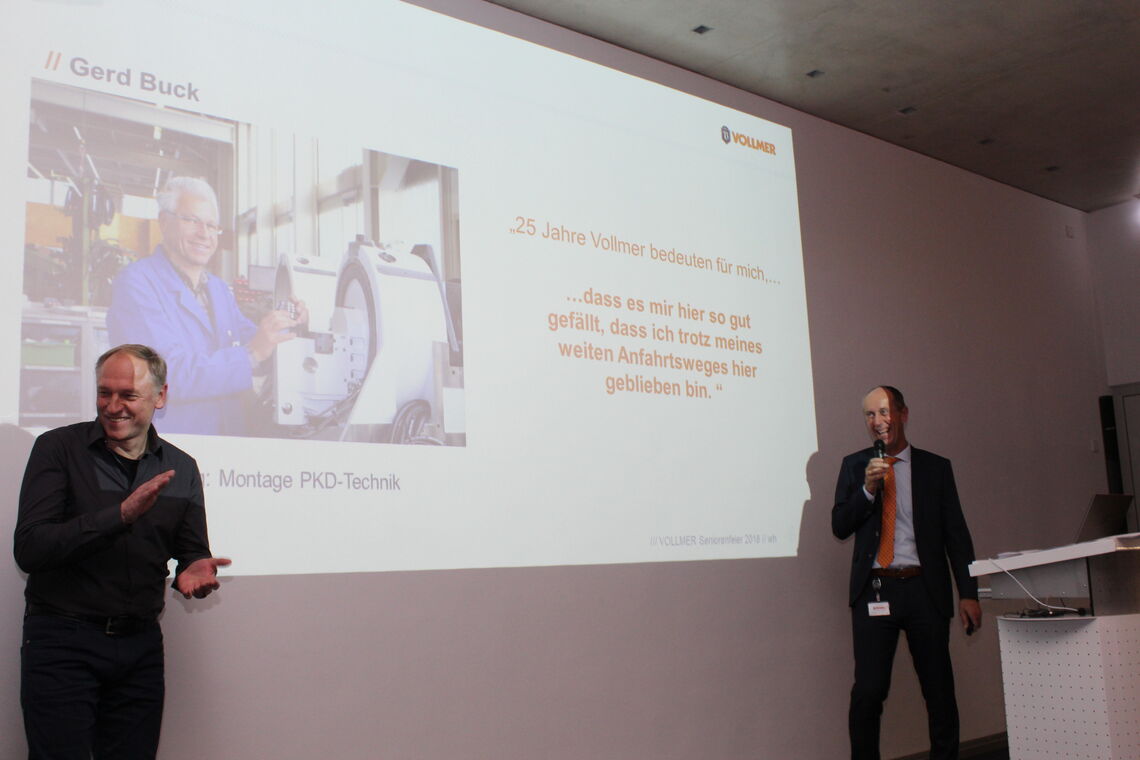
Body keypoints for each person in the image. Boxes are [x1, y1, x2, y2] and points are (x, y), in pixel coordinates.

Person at [14, 344, 231, 759]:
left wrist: (193, 569)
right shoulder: (57, 449)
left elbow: (191, 551)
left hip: (140, 648)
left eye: (128, 395)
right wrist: (120, 515)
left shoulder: (181, 467)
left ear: (160, 397)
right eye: (104, 393)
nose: (113, 407)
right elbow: (30, 548)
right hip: (63, 643)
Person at [831, 386, 982, 760]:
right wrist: (867, 490)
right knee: (868, 692)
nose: (877, 421)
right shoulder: (854, 465)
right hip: (875, 590)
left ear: (903, 414)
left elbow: (956, 534)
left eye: (884, 412)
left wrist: (968, 593)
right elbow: (840, 526)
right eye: (870, 415)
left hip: (923, 590)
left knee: (939, 691)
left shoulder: (936, 468)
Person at [107, 176, 305, 434]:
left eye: (212, 225)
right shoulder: (136, 284)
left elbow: (254, 339)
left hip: (225, 437)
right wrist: (252, 355)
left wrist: (291, 326)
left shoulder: (218, 289)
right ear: (164, 222)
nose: (204, 234)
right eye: (192, 221)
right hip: (168, 439)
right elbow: (163, 376)